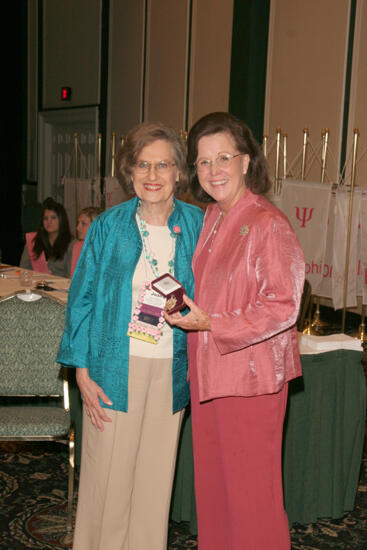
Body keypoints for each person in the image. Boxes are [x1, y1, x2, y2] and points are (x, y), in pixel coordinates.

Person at [57, 122, 204, 550]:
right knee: (109, 479)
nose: (153, 174)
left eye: (164, 164)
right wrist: (80, 369)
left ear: (179, 172)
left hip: (172, 368)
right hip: (112, 366)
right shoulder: (108, 226)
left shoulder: (198, 225)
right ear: (129, 171)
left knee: (155, 480)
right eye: (143, 164)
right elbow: (80, 299)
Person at [165, 112, 305, 550]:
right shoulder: (212, 218)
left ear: (246, 161)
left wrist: (212, 323)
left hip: (249, 381)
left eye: (223, 157)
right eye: (203, 162)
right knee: (215, 498)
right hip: (210, 375)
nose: (213, 170)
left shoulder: (267, 223)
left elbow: (282, 306)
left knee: (251, 503)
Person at [20, 197, 74, 278]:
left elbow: (71, 276)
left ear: (61, 220)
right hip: (35, 285)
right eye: (45, 218)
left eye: (53, 218)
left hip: (60, 287)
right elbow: (23, 269)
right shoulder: (33, 241)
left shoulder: (72, 244)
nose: (49, 222)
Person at [71, 206, 103, 276]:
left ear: (96, 226)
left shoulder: (106, 248)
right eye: (78, 223)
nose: (78, 228)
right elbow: (74, 276)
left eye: (83, 224)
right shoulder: (78, 246)